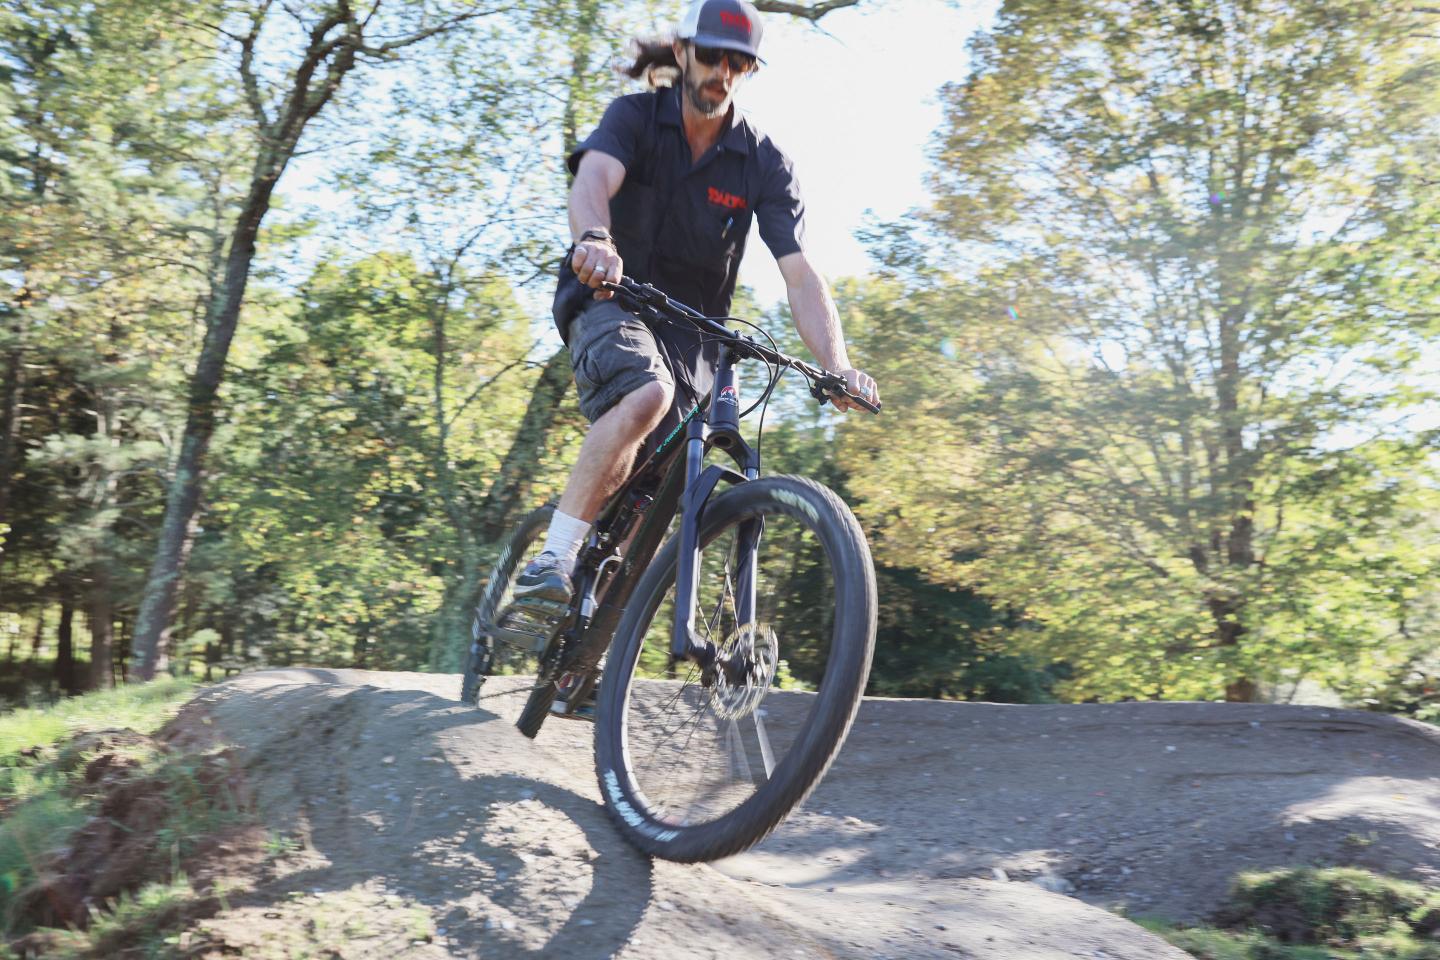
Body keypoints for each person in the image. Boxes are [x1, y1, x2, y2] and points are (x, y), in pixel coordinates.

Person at [516, 0, 879, 606]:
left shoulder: (764, 163)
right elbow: (592, 182)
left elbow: (799, 273)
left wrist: (837, 364)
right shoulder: (634, 118)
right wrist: (596, 240)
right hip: (609, 298)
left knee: (667, 492)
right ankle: (553, 557)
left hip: (695, 340)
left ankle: (593, 650)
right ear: (683, 54)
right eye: (711, 56)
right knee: (647, 395)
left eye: (739, 62)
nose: (722, 72)